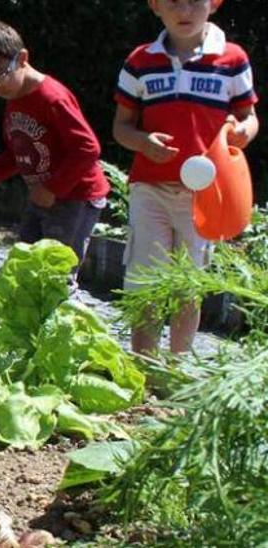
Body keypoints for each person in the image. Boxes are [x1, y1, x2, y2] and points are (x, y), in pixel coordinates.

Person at [113, 0, 258, 355]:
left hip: (205, 196)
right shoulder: (139, 61)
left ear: (214, 4)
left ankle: (175, 371)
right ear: (155, 6)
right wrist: (143, 142)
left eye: (195, 1)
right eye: (174, 1)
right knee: (145, 284)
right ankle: (143, 368)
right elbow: (121, 127)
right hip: (150, 190)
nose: (185, 10)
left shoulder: (232, 58)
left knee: (187, 288)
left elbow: (250, 118)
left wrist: (242, 132)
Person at [0, 20, 111, 278]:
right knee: (25, 265)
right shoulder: (15, 99)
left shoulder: (51, 98)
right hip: (44, 196)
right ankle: (30, 318)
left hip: (75, 197)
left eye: (0, 76)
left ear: (23, 58)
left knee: (55, 274)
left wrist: (53, 189)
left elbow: (87, 148)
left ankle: (64, 315)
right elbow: (19, 153)